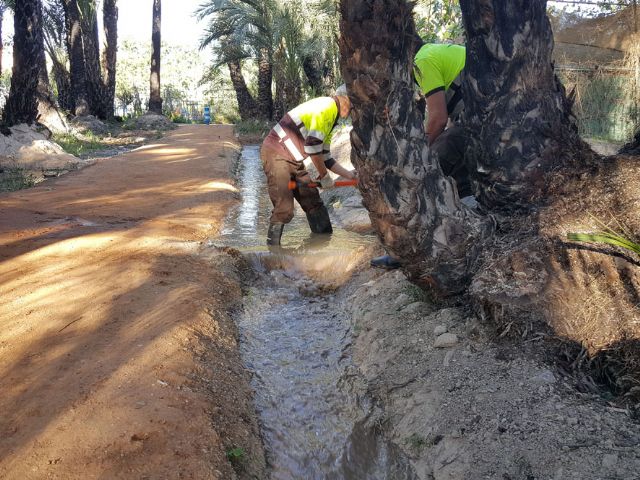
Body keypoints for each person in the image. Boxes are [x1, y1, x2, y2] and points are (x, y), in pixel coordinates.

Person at [371, 42, 470, 269]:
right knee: (456, 175)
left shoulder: (422, 60)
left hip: (481, 121)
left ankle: (402, 251)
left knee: (419, 174)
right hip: (486, 120)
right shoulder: (434, 53)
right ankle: (456, 236)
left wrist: (418, 155)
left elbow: (437, 119)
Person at [261, 87, 356, 246]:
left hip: (293, 159)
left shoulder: (332, 118)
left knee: (313, 200)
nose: (354, 109)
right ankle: (274, 254)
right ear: (345, 98)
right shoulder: (327, 107)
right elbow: (313, 148)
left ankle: (322, 245)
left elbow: (325, 157)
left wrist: (350, 176)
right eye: (353, 103)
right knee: (284, 207)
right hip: (276, 153)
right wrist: (324, 177)